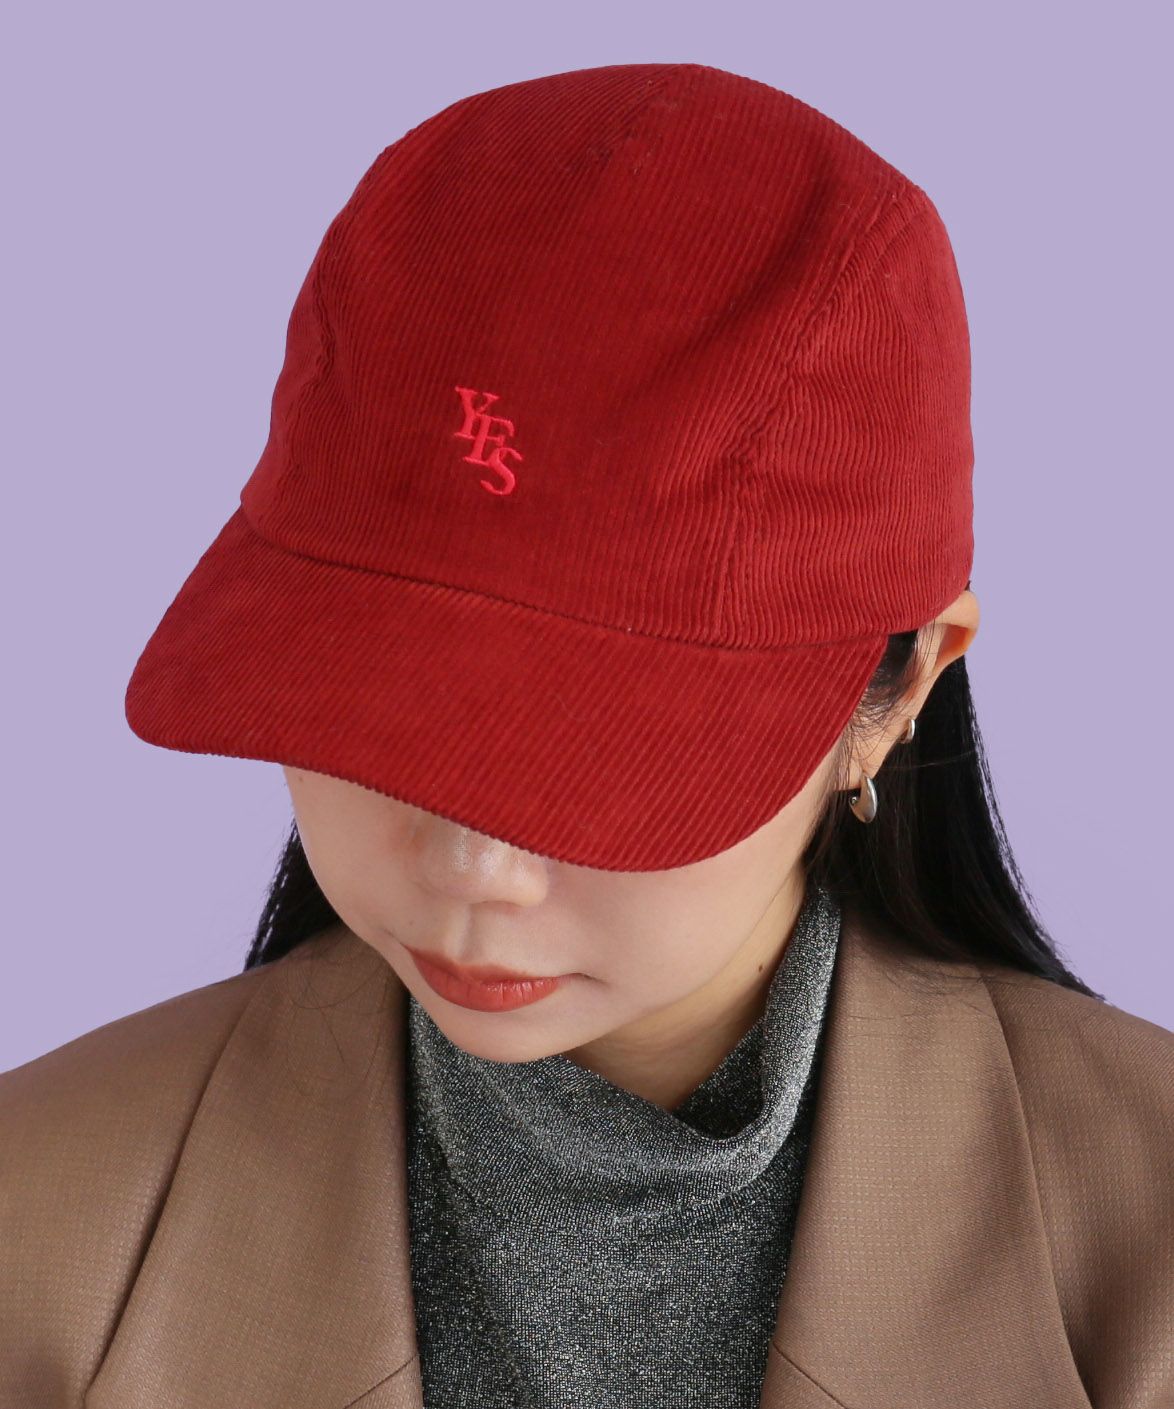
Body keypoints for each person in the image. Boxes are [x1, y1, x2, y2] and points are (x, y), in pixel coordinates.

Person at [2, 61, 1171, 1409]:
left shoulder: (1143, 1246)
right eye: (386, 706)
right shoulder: (38, 1221)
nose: (471, 866)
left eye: (600, 747)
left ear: (899, 690)